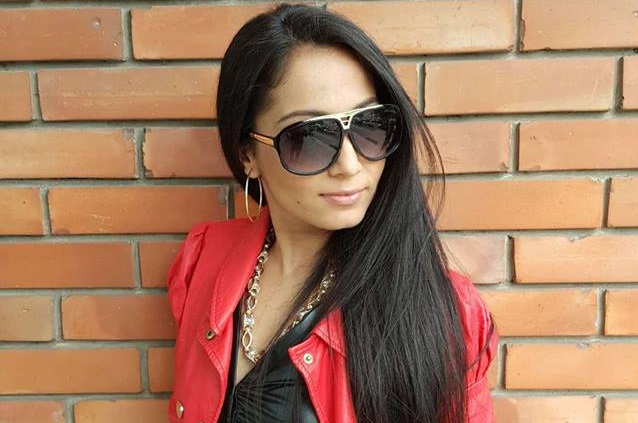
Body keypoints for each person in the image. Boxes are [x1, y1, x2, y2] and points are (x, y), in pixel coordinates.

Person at [166, 3, 498, 423]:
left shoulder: (446, 314)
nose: (349, 165)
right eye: (309, 137)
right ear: (248, 155)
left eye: (369, 126)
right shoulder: (202, 263)